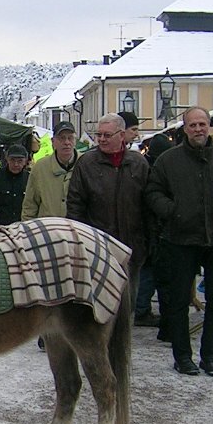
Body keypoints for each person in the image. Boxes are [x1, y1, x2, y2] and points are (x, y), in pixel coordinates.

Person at [145, 107, 213, 377]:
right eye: (193, 125)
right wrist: (172, 212)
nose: (198, 129)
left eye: (202, 124)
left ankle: (209, 356)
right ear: (185, 128)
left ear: (209, 126)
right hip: (180, 240)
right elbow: (153, 192)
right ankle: (183, 356)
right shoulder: (168, 161)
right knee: (178, 301)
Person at [67, 113, 150, 307]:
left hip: (132, 248)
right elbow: (75, 205)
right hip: (98, 248)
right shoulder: (87, 163)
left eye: (107, 135)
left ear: (121, 135)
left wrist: (148, 244)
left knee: (127, 304)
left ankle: (124, 338)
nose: (101, 139)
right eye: (99, 135)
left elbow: (148, 206)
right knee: (100, 305)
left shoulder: (138, 164)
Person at [134, 133, 174, 329]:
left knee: (147, 272)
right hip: (150, 227)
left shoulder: (144, 165)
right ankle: (141, 310)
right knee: (149, 273)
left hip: (148, 227)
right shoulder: (153, 169)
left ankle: (142, 309)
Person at [22, 121, 78, 221]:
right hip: (48, 230)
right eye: (62, 138)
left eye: (70, 138)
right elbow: (30, 205)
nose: (66, 142)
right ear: (53, 141)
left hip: (79, 230)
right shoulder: (40, 167)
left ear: (75, 141)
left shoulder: (85, 164)